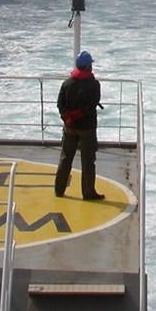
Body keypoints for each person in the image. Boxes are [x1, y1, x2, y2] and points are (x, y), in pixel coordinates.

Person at [54, 50, 104, 200]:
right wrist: (77, 115)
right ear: (89, 67)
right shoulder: (94, 85)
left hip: (69, 128)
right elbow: (91, 106)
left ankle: (59, 190)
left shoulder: (67, 83)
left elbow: (60, 104)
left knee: (65, 158)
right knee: (88, 162)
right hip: (87, 129)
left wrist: (67, 118)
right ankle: (88, 193)